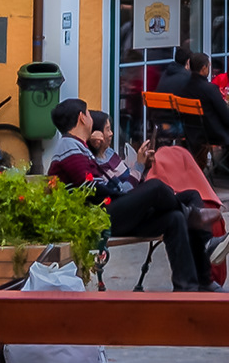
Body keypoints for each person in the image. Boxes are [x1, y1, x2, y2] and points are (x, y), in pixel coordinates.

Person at [43, 99, 215, 289]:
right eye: (89, 114)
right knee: (156, 187)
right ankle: (198, 226)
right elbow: (91, 188)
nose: (92, 118)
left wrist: (127, 196)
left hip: (109, 212)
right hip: (99, 218)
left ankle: (190, 287)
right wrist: (124, 195)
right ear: (82, 118)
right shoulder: (69, 146)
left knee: (175, 217)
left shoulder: (79, 146)